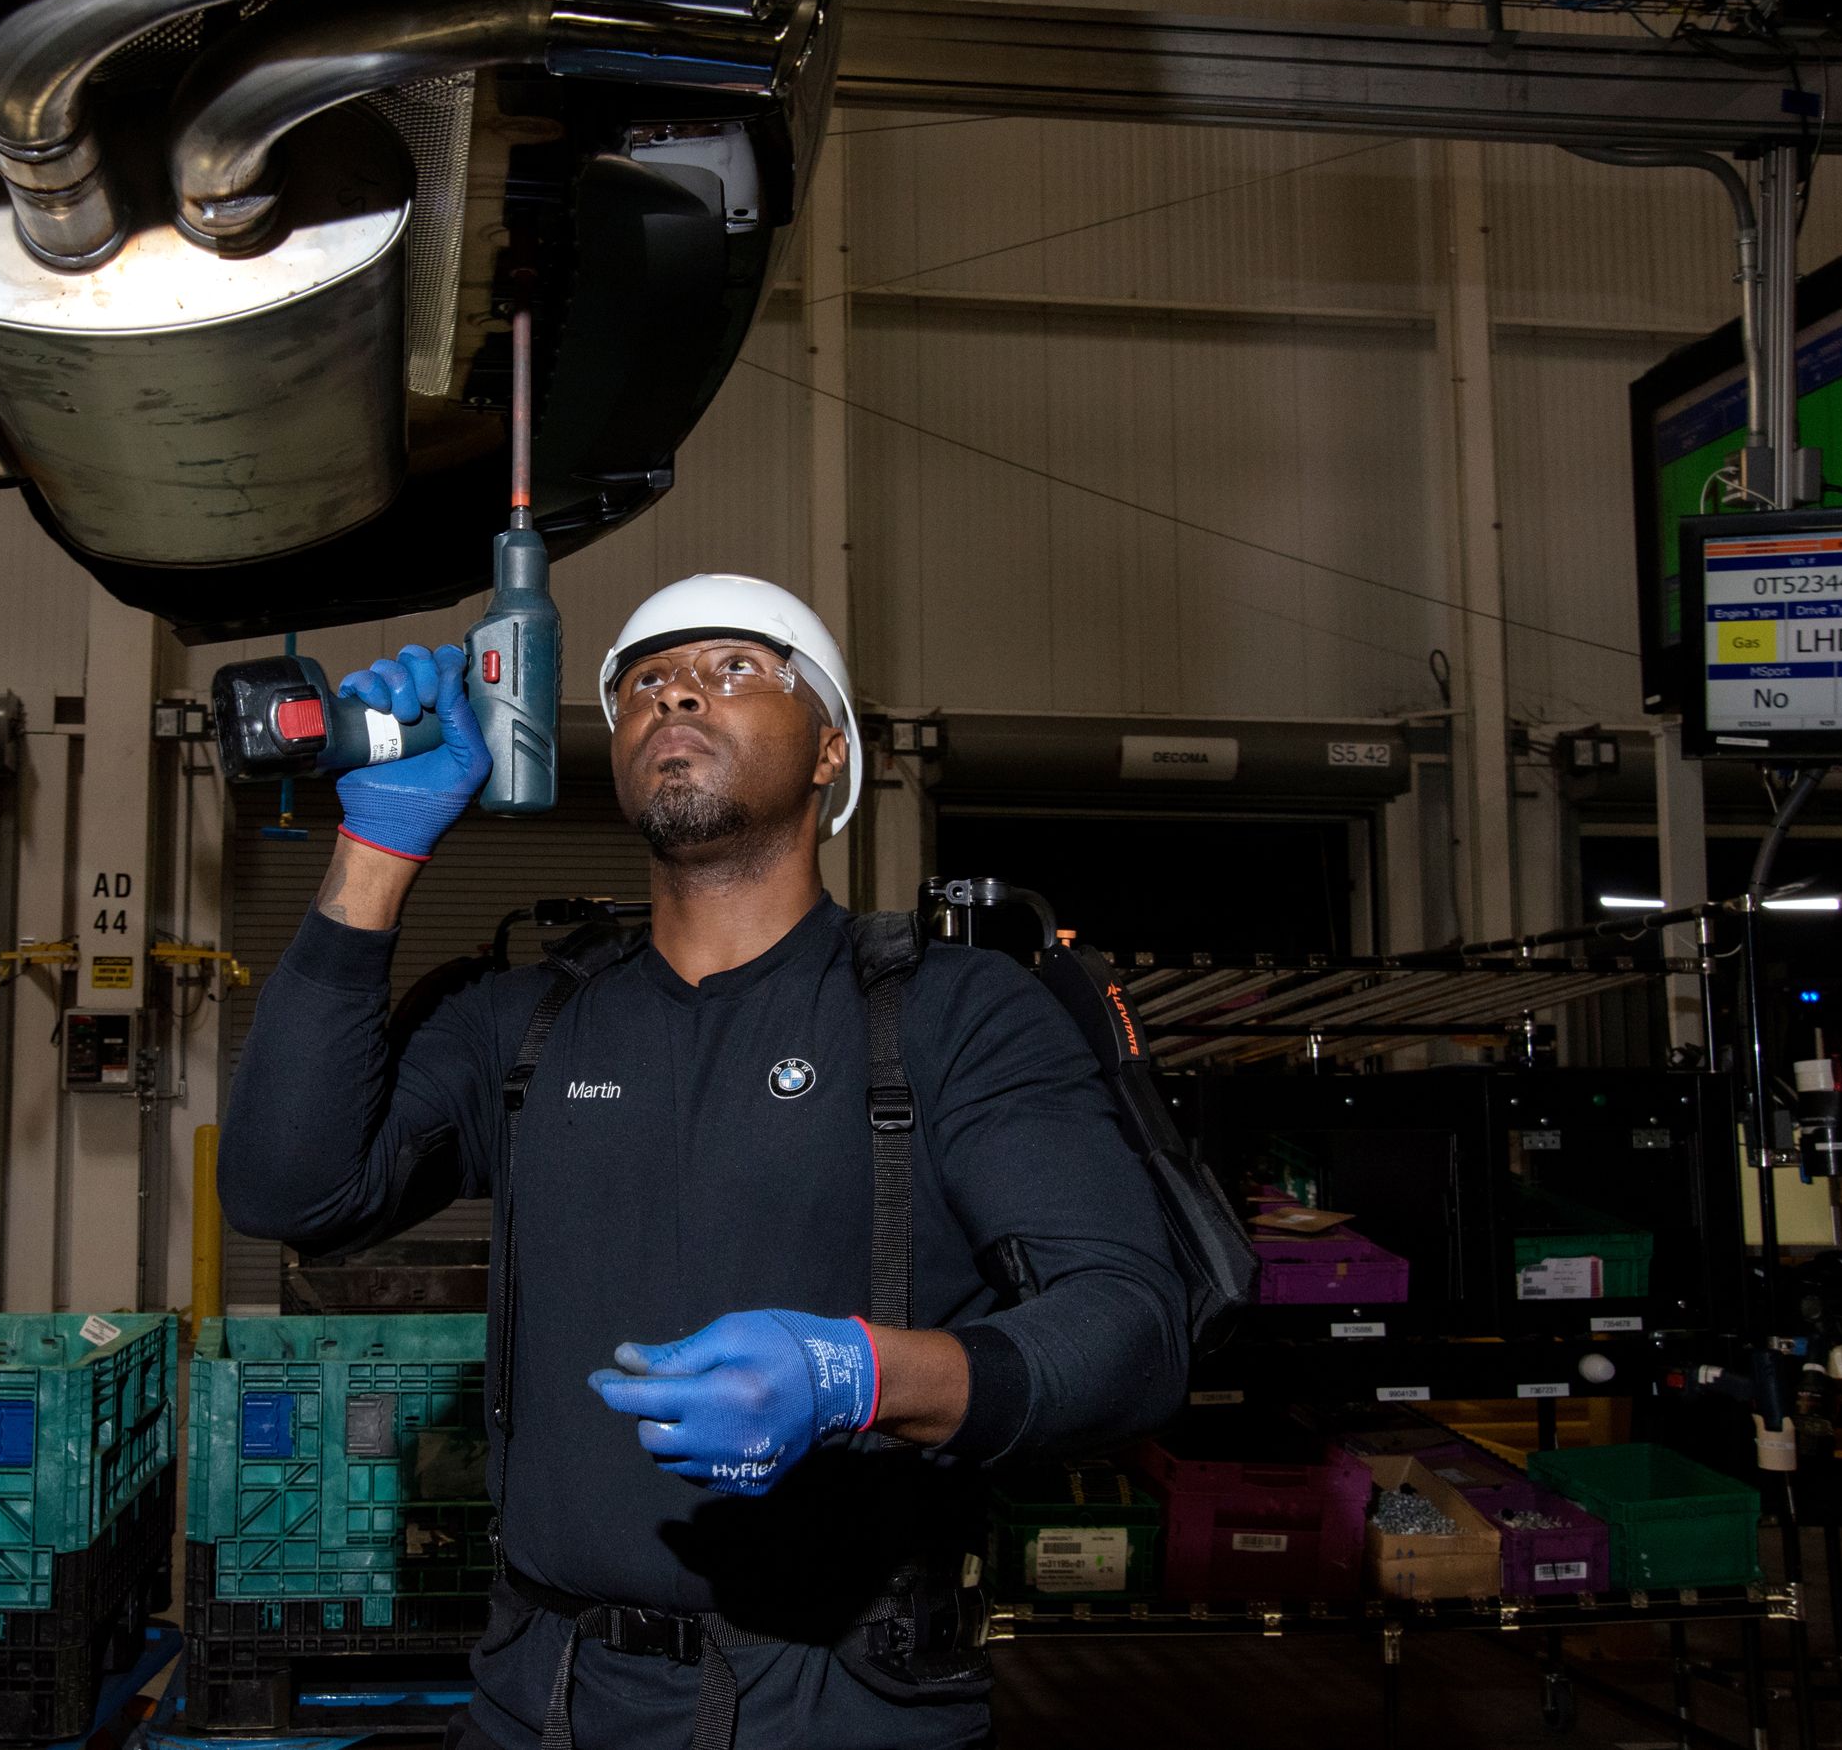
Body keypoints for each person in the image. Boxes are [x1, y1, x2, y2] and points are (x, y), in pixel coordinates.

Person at [221, 574, 1189, 1750]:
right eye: (640, 684)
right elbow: (289, 1188)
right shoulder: (523, 1019)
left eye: (738, 668)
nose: (673, 688)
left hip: (841, 1706)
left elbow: (1131, 1330)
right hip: (542, 1695)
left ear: (831, 749)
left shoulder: (949, 1014)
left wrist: (860, 1375)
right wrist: (373, 852)